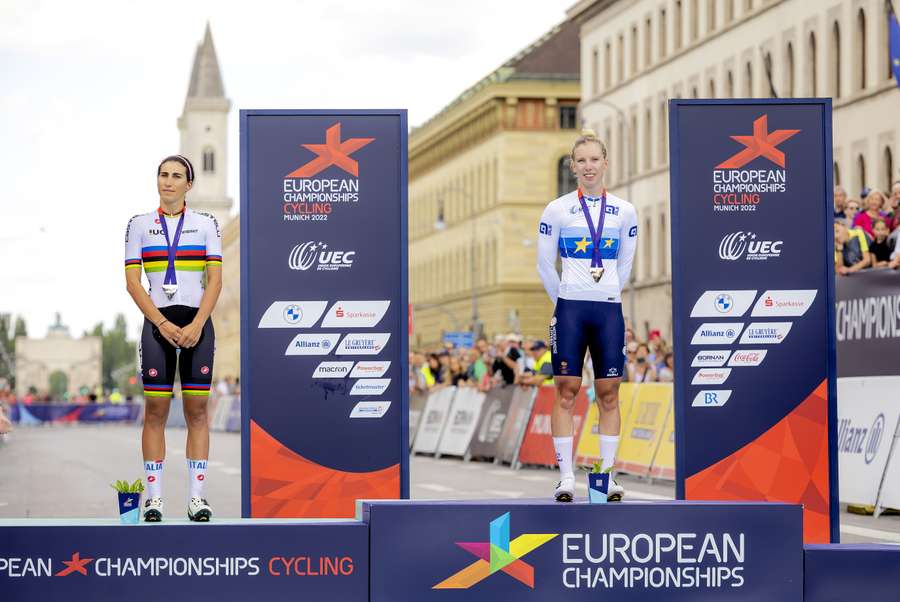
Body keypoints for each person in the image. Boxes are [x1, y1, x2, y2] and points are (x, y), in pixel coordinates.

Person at [537, 129, 638, 503]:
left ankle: (606, 476)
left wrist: (606, 290)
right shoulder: (558, 209)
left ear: (605, 163)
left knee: (609, 394)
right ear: (573, 166)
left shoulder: (625, 211)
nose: (588, 166)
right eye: (581, 161)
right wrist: (564, 300)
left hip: (608, 309)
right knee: (566, 390)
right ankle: (566, 478)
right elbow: (545, 264)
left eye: (595, 159)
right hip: (570, 309)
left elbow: (624, 264)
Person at [125, 155, 222, 522]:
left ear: (189, 185)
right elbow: (133, 283)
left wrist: (198, 323)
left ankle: (197, 498)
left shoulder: (206, 224)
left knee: (197, 412)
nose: (168, 181)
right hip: (157, 326)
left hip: (197, 323)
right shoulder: (138, 225)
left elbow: (215, 280)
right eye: (163, 175)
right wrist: (161, 323)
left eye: (176, 176)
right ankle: (154, 499)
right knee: (156, 411)